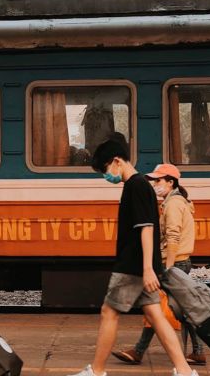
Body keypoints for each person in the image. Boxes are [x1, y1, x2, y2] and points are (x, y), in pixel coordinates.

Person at [68, 139, 197, 376]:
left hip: (133, 266)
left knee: (109, 312)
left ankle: (96, 372)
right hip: (139, 265)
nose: (106, 176)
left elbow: (146, 228)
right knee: (155, 315)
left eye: (105, 170)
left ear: (117, 161)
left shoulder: (135, 186)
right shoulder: (140, 185)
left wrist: (147, 268)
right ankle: (185, 370)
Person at [112, 163, 206, 366]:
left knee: (154, 305)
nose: (154, 184)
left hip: (174, 263)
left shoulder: (173, 204)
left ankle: (139, 351)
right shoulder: (176, 202)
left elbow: (173, 238)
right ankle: (198, 351)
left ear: (171, 182)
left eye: (158, 180)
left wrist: (169, 268)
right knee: (179, 309)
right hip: (179, 262)